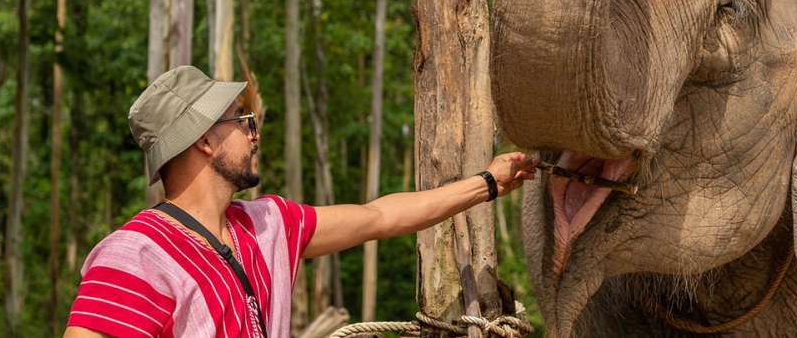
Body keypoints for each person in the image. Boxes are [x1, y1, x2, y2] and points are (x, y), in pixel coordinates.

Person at [64, 65, 537, 337]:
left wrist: (488, 182)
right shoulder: (136, 256)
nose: (255, 133)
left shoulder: (268, 224)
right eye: (240, 120)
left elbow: (381, 215)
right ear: (204, 141)